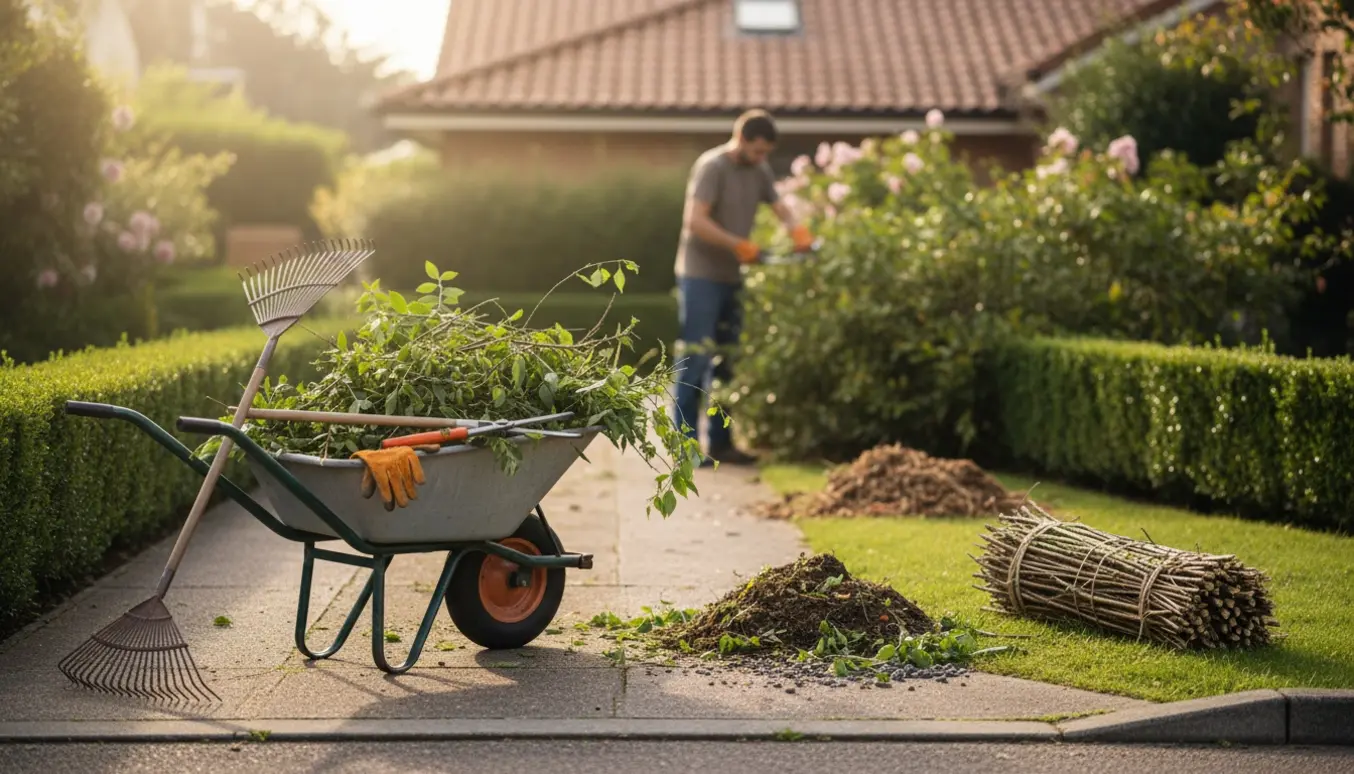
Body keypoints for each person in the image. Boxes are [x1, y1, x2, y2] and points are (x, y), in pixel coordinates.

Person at [672, 109, 814, 466]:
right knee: (696, 359)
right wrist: (738, 244)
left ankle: (722, 444)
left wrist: (796, 231)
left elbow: (779, 206)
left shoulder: (759, 170)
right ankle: (686, 449)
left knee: (728, 362)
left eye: (767, 152)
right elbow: (695, 221)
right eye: (758, 150)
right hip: (700, 275)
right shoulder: (712, 167)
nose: (762, 158)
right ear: (742, 139)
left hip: (732, 278)